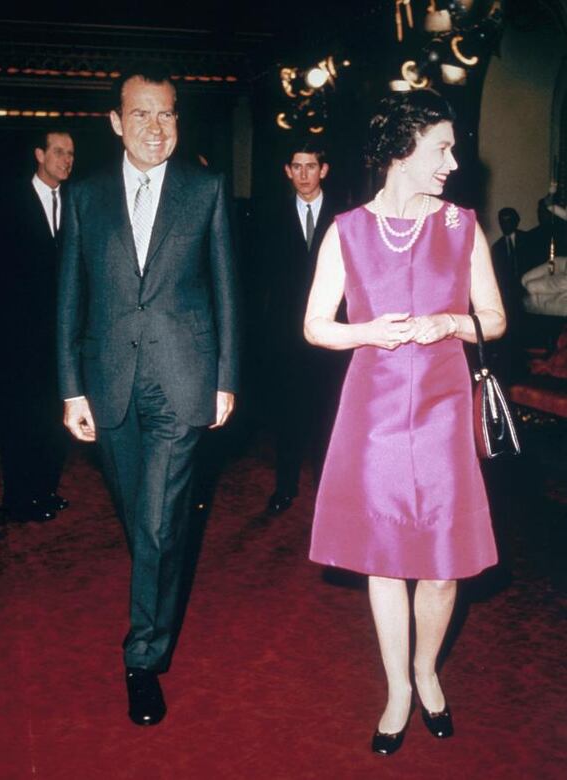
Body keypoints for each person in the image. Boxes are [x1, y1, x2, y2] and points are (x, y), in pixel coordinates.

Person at [304, 90, 505, 756]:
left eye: (452, 148)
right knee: (385, 563)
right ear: (403, 149)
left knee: (444, 569)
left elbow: (496, 320)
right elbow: (314, 326)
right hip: (376, 414)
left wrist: (452, 322)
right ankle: (396, 688)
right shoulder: (348, 230)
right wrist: (368, 331)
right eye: (441, 148)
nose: (453, 161)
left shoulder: (462, 226)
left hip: (446, 410)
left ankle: (427, 671)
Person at [57, 66, 239, 726]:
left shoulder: (207, 188)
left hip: (183, 376)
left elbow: (226, 289)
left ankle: (143, 658)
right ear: (116, 121)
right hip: (107, 381)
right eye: (140, 114)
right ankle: (157, 590)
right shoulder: (86, 197)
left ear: (177, 121)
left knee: (160, 522)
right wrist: (70, 388)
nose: (154, 128)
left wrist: (226, 378)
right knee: (142, 520)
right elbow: (70, 299)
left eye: (165, 115)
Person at [0, 129, 74, 522]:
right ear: (39, 154)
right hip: (19, 336)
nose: (66, 159)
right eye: (58, 152)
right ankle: (21, 496)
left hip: (60, 336)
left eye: (71, 153)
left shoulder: (74, 203)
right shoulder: (8, 202)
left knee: (55, 415)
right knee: (22, 417)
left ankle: (46, 490)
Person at [261, 140, 342, 514]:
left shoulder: (346, 216)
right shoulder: (268, 214)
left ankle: (329, 490)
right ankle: (286, 486)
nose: (304, 174)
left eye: (311, 166)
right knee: (288, 414)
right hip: (285, 337)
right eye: (297, 166)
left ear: (323, 170)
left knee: (330, 414)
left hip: (334, 333)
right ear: (287, 171)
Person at [490, 207, 528, 381]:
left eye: (508, 220)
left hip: (529, 288)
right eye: (501, 220)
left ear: (516, 221)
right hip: (509, 296)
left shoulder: (529, 239)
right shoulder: (496, 248)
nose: (505, 224)